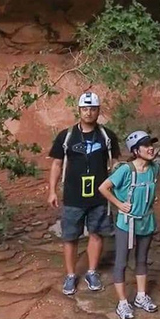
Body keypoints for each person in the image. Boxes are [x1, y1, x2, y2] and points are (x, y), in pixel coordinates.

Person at [48, 91, 120, 296]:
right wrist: (52, 191)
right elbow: (56, 164)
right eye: (85, 109)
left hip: (99, 196)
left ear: (98, 111)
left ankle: (92, 271)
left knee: (97, 233)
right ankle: (71, 275)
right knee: (70, 236)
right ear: (79, 110)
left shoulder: (107, 136)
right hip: (73, 195)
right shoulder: (66, 136)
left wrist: (119, 185)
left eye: (93, 109)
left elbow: (115, 163)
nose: (89, 112)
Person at [98, 130, 160, 319]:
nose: (151, 148)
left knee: (142, 259)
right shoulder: (125, 170)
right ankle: (122, 302)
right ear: (135, 150)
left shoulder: (154, 169)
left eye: (151, 144)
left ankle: (141, 296)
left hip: (146, 220)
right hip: (127, 222)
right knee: (122, 261)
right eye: (146, 145)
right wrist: (119, 204)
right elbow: (103, 187)